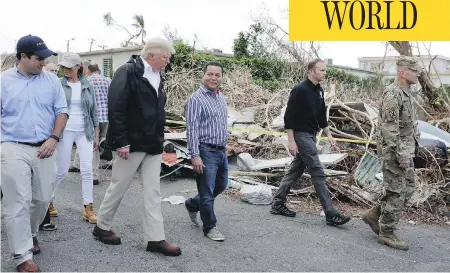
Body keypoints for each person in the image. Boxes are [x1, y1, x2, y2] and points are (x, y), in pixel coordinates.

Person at [93, 37, 181, 256]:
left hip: (152, 143)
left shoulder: (158, 76)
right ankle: (102, 226)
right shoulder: (128, 72)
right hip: (130, 144)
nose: (167, 61)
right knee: (119, 186)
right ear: (151, 55)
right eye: (165, 57)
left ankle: (155, 239)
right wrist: (121, 141)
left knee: (153, 192)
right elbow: (116, 107)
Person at [1, 35, 68, 272]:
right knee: (17, 201)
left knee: (41, 199)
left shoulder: (51, 81)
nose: (43, 62)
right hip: (12, 145)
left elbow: (62, 112)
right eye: (38, 58)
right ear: (23, 57)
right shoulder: (3, 81)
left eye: (44, 58)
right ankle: (22, 256)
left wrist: (54, 138)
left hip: (45, 146)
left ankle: (31, 233)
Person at [269, 58, 351, 226]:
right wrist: (291, 141)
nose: (324, 73)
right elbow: (289, 117)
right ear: (312, 71)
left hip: (311, 134)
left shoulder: (319, 90)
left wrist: (329, 135)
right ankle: (330, 213)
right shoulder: (299, 90)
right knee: (317, 170)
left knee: (296, 169)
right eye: (321, 70)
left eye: (325, 70)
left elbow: (321, 116)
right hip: (301, 134)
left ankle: (278, 203)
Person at [361, 56, 421, 251]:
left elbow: (408, 125)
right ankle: (386, 233)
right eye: (414, 70)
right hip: (394, 152)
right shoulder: (393, 94)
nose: (418, 73)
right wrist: (400, 154)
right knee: (396, 192)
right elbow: (389, 128)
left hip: (406, 151)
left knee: (409, 188)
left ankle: (373, 214)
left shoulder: (407, 93)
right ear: (403, 72)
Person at [51, 52, 99, 224]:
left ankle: (88, 207)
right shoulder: (58, 85)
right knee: (62, 170)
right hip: (65, 131)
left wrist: (96, 134)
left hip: (84, 131)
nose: (65, 69)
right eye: (63, 66)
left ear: (79, 66)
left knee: (87, 170)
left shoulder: (88, 85)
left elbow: (94, 111)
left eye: (69, 66)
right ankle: (48, 199)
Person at [184, 62, 229, 241]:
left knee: (222, 185)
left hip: (221, 151)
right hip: (205, 151)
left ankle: (192, 204)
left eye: (217, 75)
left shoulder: (221, 98)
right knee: (207, 191)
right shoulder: (196, 99)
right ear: (203, 76)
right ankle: (210, 227)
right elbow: (192, 129)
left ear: (221, 78)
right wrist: (195, 155)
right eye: (210, 74)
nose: (213, 78)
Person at [70, 63, 112, 185]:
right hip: (106, 117)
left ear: (88, 71)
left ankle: (94, 175)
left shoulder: (87, 82)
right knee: (101, 143)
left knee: (91, 145)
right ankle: (77, 164)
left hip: (92, 118)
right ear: (99, 70)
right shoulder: (108, 81)